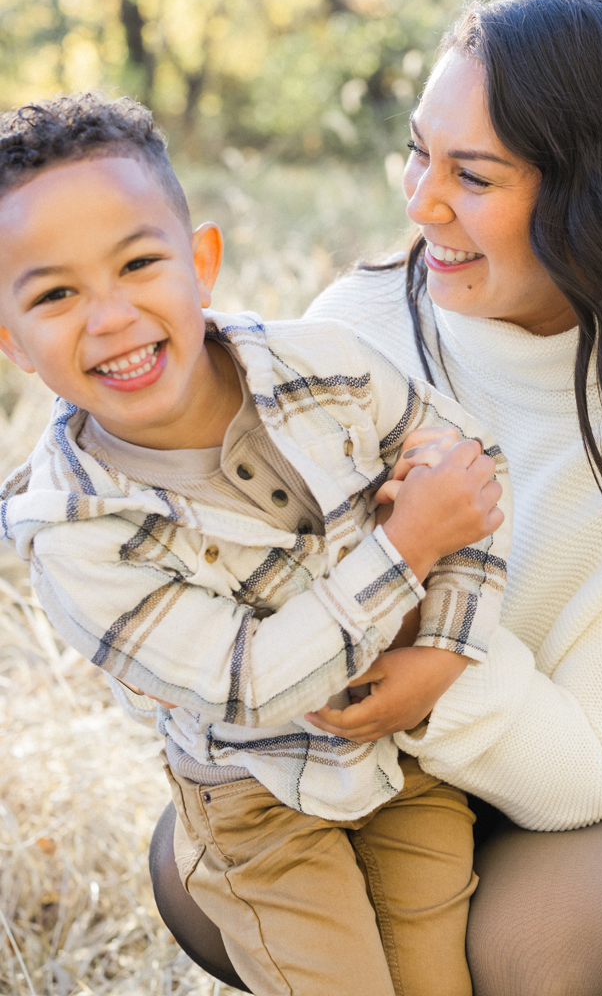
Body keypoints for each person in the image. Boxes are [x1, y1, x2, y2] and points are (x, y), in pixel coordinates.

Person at [150, 0, 602, 996]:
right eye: (419, 150)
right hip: (417, 761)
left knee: (527, 950)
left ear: (596, 193)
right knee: (200, 870)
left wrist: (443, 676)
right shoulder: (362, 329)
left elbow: (593, 766)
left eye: (474, 174)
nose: (421, 203)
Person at [0, 93, 514, 996]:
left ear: (201, 265)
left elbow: (470, 481)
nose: (112, 316)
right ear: (11, 341)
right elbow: (250, 682)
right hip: (258, 806)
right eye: (56, 293)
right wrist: (406, 546)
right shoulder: (76, 536)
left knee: (441, 982)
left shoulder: (330, 367)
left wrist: (442, 650)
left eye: (138, 264)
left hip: (405, 766)